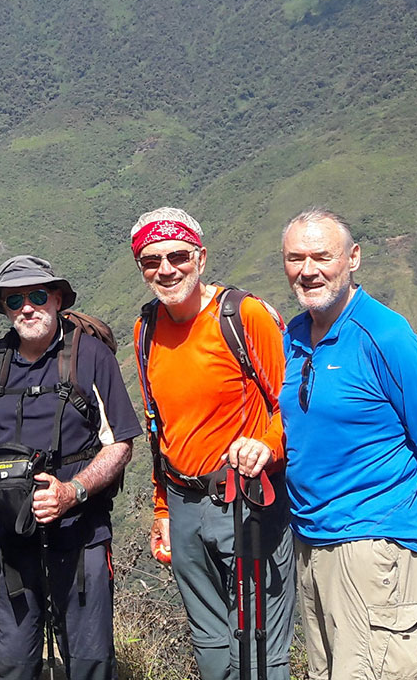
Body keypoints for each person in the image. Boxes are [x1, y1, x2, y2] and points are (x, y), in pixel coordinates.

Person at [280, 208, 417, 680]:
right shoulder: (296, 336)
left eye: (322, 256)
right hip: (312, 543)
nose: (309, 270)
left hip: (373, 548)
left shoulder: (387, 337)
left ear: (353, 259)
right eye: (295, 258)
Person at [0, 255, 141, 680]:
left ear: (57, 299)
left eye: (37, 296)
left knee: (88, 660)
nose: (26, 307)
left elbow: (121, 444)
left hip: (80, 536)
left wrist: (71, 492)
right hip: (7, 539)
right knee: (9, 663)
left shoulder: (91, 356)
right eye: (14, 300)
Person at [129, 207, 297, 680]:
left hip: (246, 502)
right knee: (210, 648)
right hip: (184, 505)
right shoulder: (146, 332)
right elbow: (158, 428)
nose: (166, 269)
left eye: (177, 255)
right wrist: (161, 509)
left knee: (258, 650)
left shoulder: (243, 316)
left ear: (200, 257)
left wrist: (266, 444)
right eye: (151, 261)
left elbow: (295, 407)